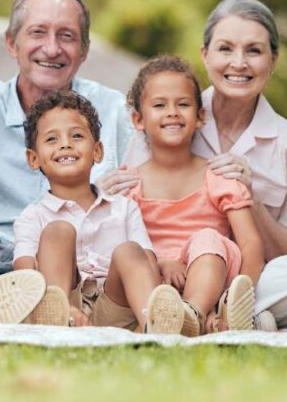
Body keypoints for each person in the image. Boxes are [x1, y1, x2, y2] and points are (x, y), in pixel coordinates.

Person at [102, 0, 287, 331]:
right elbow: (127, 219)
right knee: (128, 258)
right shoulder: (170, 117)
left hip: (249, 273)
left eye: (254, 51)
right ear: (205, 55)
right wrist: (103, 194)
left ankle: (220, 310)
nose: (239, 63)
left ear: (272, 59)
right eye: (225, 49)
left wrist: (253, 199)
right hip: (161, 267)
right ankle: (224, 319)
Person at [0, 0, 133, 283]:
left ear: (84, 51)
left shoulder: (113, 112)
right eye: (37, 32)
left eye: (67, 36)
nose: (52, 48)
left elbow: (168, 163)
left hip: (81, 269)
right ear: (11, 44)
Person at [12, 90, 184, 334]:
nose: (65, 144)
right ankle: (56, 319)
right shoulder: (32, 216)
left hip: (114, 303)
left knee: (129, 250)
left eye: (77, 135)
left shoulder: (124, 207)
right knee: (58, 231)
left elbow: (146, 263)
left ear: (97, 151)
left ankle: (154, 326)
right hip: (63, 301)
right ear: (33, 158)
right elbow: (25, 270)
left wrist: (159, 268)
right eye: (51, 139)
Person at [123, 56, 265, 335]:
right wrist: (162, 262)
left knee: (207, 237)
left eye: (184, 104)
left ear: (200, 117)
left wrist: (237, 297)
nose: (173, 112)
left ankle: (193, 315)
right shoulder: (130, 183)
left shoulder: (218, 176)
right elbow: (122, 247)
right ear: (138, 120)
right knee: (134, 252)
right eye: (160, 105)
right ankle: (165, 318)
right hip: (153, 284)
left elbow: (251, 243)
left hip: (211, 277)